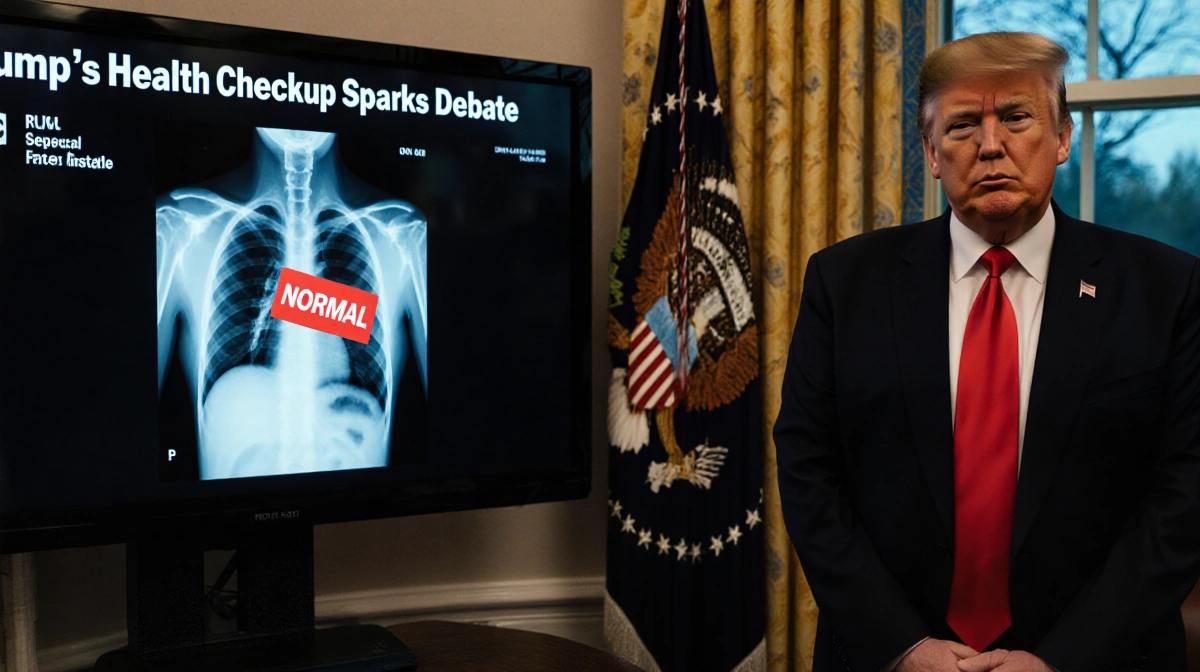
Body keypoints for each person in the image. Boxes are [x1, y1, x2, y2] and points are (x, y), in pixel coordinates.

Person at [774, 31, 1200, 672]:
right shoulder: (845, 283)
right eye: (964, 124)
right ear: (931, 151)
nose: (991, 144)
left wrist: (1061, 660)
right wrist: (903, 647)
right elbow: (809, 471)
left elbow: (1184, 495)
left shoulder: (1167, 288)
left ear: (1062, 139)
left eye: (1017, 118)